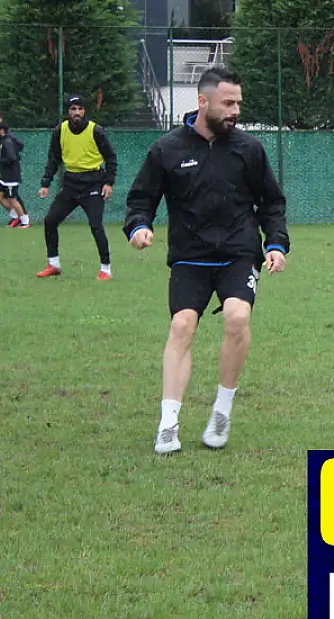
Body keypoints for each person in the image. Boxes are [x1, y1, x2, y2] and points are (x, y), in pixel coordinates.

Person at [123, 67, 291, 455]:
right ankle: (168, 424)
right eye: (228, 103)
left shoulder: (249, 149)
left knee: (237, 316)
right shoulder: (167, 149)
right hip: (190, 257)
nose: (235, 110)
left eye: (238, 103)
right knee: (182, 325)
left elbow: (272, 203)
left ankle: (222, 411)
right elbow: (141, 198)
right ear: (202, 101)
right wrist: (138, 226)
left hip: (238, 253)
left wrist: (276, 244)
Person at [37, 95, 118, 279]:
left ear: (85, 111)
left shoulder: (95, 130)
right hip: (71, 183)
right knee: (50, 220)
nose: (77, 113)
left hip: (93, 183)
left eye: (80, 109)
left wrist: (108, 182)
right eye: (73, 109)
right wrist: (45, 183)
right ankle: (53, 264)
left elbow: (111, 157)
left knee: (96, 225)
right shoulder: (60, 130)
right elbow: (54, 159)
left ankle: (105, 269)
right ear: (68, 112)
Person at [0, 122, 31, 229]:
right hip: (3, 176)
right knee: (1, 197)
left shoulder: (8, 141)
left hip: (11, 177)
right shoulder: (3, 140)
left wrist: (1, 160)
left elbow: (12, 158)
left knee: (13, 199)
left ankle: (25, 222)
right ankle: (15, 216)